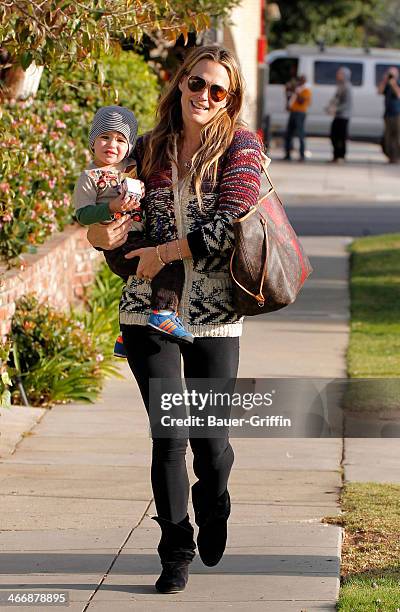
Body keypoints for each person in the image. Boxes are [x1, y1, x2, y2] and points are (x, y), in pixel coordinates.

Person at [86, 45, 262, 594]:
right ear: (180, 86)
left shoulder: (242, 148)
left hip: (214, 311)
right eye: (196, 84)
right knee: (169, 434)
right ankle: (175, 550)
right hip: (147, 310)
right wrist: (102, 230)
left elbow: (226, 227)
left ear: (230, 98)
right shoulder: (149, 148)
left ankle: (215, 501)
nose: (203, 96)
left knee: (210, 442)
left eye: (217, 90)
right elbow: (99, 216)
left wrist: (163, 252)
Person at [73, 105, 194, 357]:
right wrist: (110, 207)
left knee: (137, 282)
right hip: (118, 242)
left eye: (120, 139)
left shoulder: (132, 165)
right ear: (92, 141)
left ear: (129, 146)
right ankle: (163, 314)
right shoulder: (90, 177)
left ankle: (123, 338)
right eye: (104, 137)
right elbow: (83, 215)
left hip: (139, 234)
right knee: (165, 264)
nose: (111, 145)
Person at [284, 74, 312, 161]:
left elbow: (301, 101)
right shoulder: (296, 90)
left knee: (300, 134)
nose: (299, 82)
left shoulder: (306, 90)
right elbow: (289, 100)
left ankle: (302, 154)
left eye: (301, 80)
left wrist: (296, 92)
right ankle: (287, 154)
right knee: (289, 134)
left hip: (300, 113)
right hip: (293, 112)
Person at [327, 67, 353, 163]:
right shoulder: (340, 86)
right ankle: (336, 155)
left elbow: (346, 104)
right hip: (338, 115)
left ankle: (341, 156)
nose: (338, 75)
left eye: (340, 73)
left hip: (344, 116)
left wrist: (335, 109)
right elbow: (336, 99)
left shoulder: (347, 86)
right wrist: (329, 106)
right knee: (334, 136)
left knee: (341, 137)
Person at [378, 66, 400, 163]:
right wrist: (384, 80)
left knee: (396, 136)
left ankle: (396, 157)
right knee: (388, 137)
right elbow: (379, 92)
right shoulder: (387, 84)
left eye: (392, 73)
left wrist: (394, 84)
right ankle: (391, 157)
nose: (391, 75)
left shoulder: (397, 83)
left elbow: (399, 95)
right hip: (387, 114)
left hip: (397, 114)